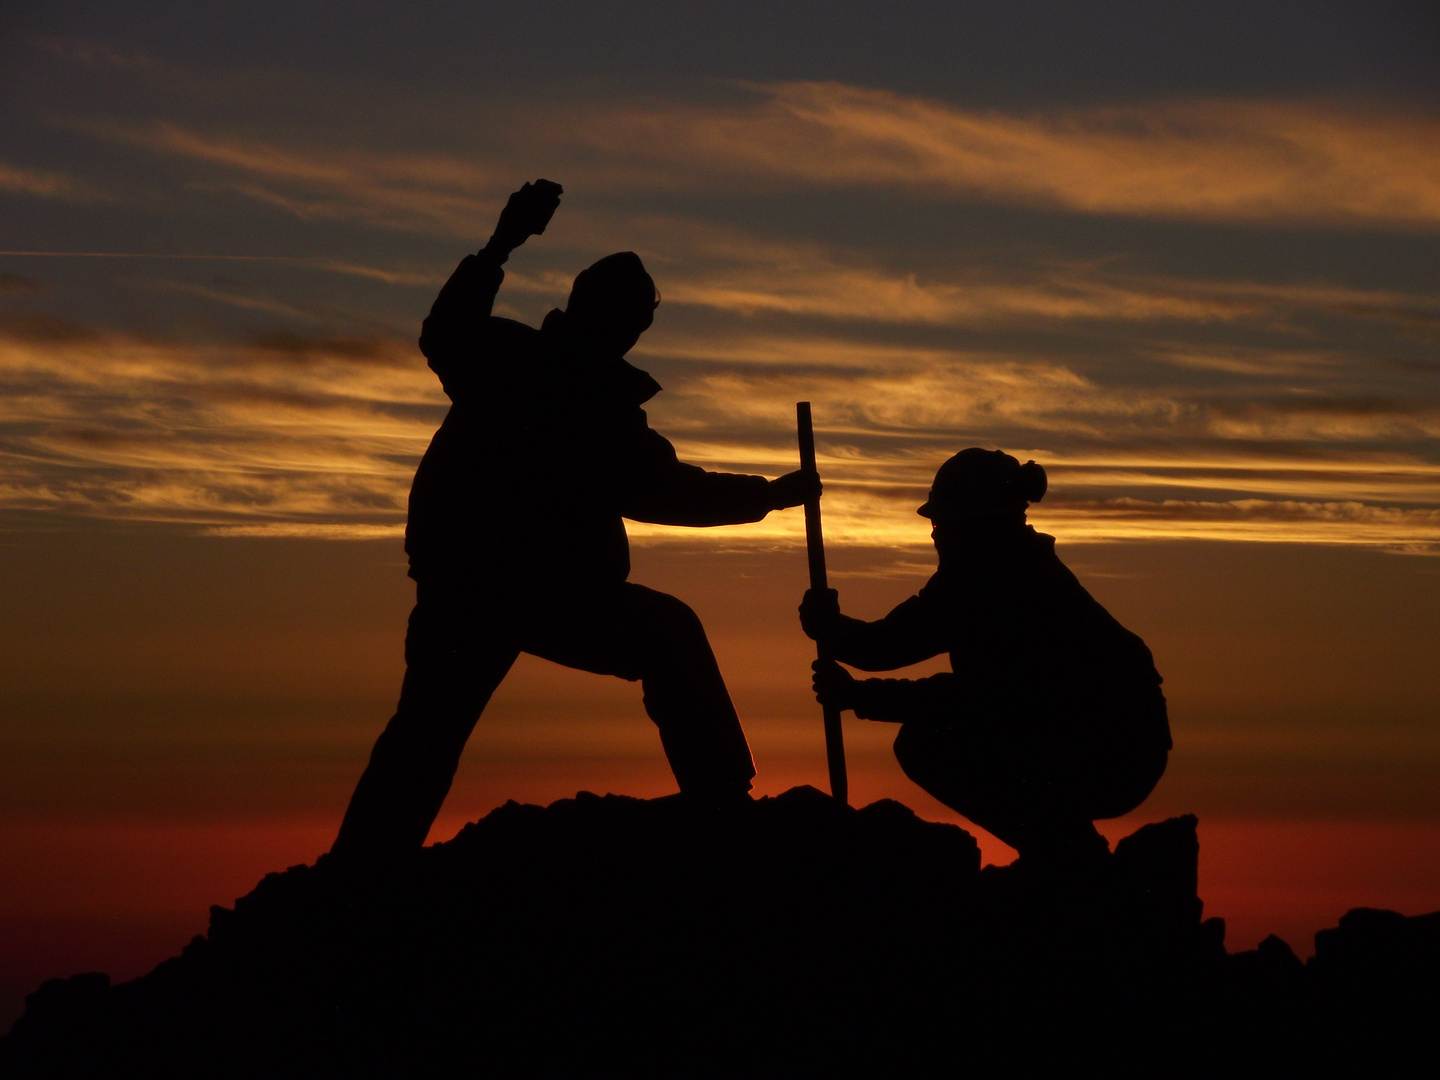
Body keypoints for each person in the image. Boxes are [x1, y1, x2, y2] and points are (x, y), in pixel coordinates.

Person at [332, 180, 818, 855]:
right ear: (611, 317)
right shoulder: (545, 378)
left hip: (504, 589)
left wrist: (502, 244)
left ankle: (362, 868)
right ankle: (721, 801)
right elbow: (662, 491)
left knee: (428, 729)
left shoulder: (529, 370)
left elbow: (658, 486)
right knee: (436, 725)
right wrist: (768, 496)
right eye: (627, 317)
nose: (628, 329)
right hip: (506, 589)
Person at [799, 449, 1170, 867]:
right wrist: (835, 637)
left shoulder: (998, 584)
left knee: (929, 743)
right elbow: (893, 648)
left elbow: (957, 693)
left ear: (973, 525)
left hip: (1105, 750)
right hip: (1104, 744)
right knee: (938, 737)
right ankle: (1069, 854)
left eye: (941, 523)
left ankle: (1069, 858)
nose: (936, 535)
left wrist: (853, 682)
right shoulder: (1004, 568)